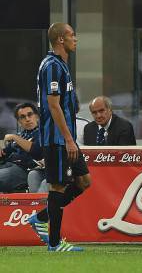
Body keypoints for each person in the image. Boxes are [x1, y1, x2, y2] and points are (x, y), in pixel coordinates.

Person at [29, 22, 92, 252]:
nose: (76, 39)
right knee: (57, 187)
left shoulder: (61, 65)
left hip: (67, 138)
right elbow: (53, 106)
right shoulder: (52, 66)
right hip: (57, 139)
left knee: (84, 181)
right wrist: (67, 139)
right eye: (72, 35)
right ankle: (54, 243)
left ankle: (41, 218)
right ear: (61, 40)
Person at [0, 103, 41, 193]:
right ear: (19, 122)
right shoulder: (20, 135)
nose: (27, 119)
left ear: (36, 116)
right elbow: (5, 154)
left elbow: (37, 151)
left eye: (30, 115)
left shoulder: (43, 134)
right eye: (23, 117)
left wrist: (15, 138)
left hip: (25, 170)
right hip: (9, 166)